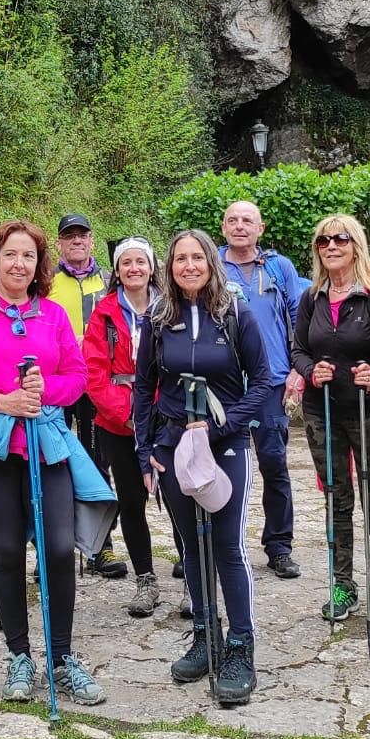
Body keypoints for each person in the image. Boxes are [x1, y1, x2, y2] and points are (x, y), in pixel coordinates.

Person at [0, 220, 112, 706]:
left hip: (46, 444)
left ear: (39, 264)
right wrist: (1, 401)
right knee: (8, 552)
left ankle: (62, 656)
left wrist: (41, 393)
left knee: (58, 549)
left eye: (29, 256)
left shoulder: (53, 315)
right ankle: (19, 655)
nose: (19, 264)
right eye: (11, 255)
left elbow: (76, 377)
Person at [134, 228, 272, 706]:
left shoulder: (236, 314)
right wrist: (145, 448)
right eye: (179, 259)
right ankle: (204, 633)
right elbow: (142, 387)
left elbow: (264, 381)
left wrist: (221, 427)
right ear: (168, 268)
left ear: (211, 263)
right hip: (172, 445)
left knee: (228, 545)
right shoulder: (157, 319)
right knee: (191, 548)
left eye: (197, 258)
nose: (189, 265)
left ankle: (240, 645)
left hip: (225, 442)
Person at [291, 214, 370, 624]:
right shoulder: (312, 297)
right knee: (336, 499)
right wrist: (309, 372)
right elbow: (299, 349)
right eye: (324, 240)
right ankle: (343, 585)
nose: (332, 246)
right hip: (323, 411)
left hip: (368, 410)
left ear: (356, 245)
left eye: (341, 239)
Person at [218, 200, 305, 579]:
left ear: (261, 228)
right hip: (224, 384)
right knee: (216, 467)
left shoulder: (279, 267)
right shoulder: (211, 264)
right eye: (233, 220)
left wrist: (298, 370)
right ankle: (215, 544)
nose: (240, 226)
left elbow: (300, 318)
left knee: (274, 464)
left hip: (270, 381)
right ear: (223, 228)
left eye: (248, 221)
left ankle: (279, 545)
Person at [83, 237, 163, 617]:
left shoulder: (171, 308)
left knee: (181, 496)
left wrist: (160, 413)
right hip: (118, 422)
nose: (134, 269)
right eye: (126, 263)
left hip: (166, 418)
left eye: (140, 262)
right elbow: (94, 372)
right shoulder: (104, 313)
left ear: (152, 267)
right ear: (116, 271)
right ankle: (145, 579)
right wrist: (127, 415)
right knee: (132, 501)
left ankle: (193, 576)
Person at [50, 213, 126, 580]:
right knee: (58, 463)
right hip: (58, 383)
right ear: (59, 244)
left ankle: (102, 544)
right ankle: (56, 546)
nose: (76, 241)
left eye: (82, 235)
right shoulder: (47, 281)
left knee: (99, 463)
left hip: (98, 384)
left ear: (92, 240)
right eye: (69, 236)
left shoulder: (111, 280)